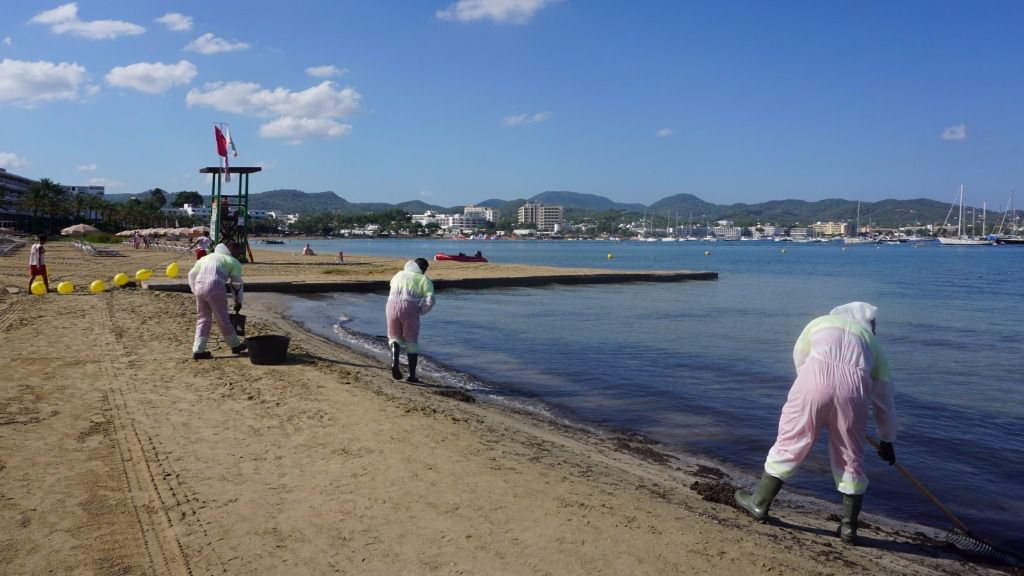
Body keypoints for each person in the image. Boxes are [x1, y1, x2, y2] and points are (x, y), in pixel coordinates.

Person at [734, 302, 897, 546]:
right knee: (850, 456)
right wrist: (887, 439)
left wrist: (814, 394)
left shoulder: (820, 323)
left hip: (812, 386)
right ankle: (849, 528)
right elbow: (884, 399)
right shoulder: (874, 345)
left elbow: (800, 356)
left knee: (790, 441)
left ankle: (759, 503)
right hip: (852, 397)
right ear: (867, 323)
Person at [187, 243, 247, 360]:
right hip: (215, 286)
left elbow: (191, 274)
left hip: (199, 286)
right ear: (230, 250)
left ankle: (198, 350)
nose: (239, 254)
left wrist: (195, 290)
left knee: (202, 319)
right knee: (223, 318)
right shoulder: (233, 261)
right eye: (238, 251)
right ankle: (235, 345)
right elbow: (236, 285)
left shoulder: (205, 258)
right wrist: (238, 301)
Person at [386, 258, 435, 383]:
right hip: (410, 307)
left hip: (391, 305)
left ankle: (394, 363)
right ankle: (412, 375)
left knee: (394, 337)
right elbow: (430, 300)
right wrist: (421, 310)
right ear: (422, 269)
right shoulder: (424, 280)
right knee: (411, 340)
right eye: (424, 269)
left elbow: (391, 287)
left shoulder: (398, 274)